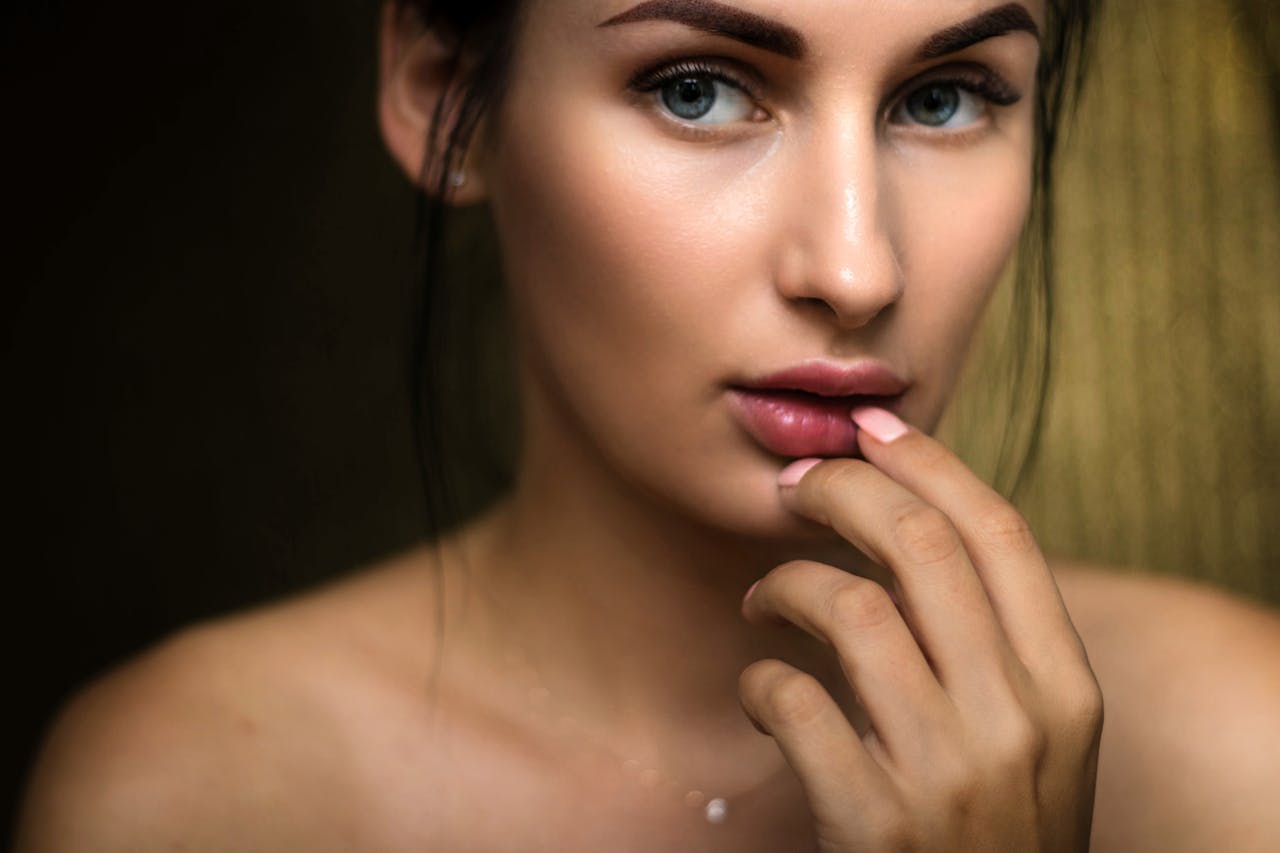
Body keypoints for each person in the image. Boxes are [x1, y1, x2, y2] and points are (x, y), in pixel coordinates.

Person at [16, 1, 1280, 850]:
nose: (854, 268)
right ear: (443, 93)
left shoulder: (1242, 750)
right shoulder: (202, 790)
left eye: (943, 99)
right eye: (696, 89)